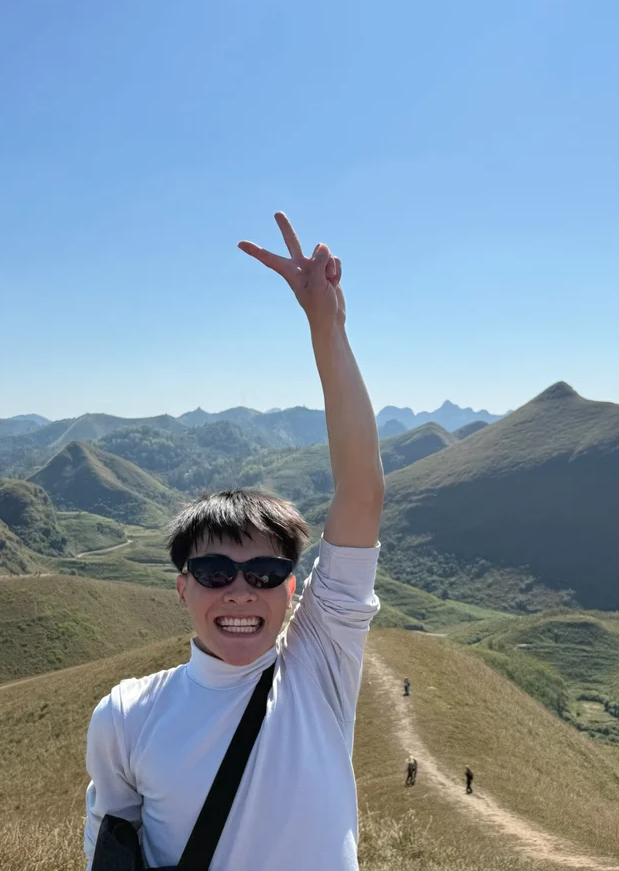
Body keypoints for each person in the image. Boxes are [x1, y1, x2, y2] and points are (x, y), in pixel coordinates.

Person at [83, 213, 385, 871]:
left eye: (266, 573)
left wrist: (326, 329)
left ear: (294, 588)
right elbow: (110, 850)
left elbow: (361, 493)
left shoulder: (320, 663)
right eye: (217, 571)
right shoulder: (127, 717)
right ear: (182, 586)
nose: (242, 590)